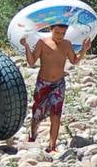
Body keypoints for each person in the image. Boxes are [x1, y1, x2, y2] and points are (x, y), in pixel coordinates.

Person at [24, 24, 92, 153]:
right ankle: (32, 136)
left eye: (63, 33)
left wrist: (84, 49)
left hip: (58, 84)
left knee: (56, 115)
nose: (60, 36)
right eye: (57, 32)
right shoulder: (42, 43)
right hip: (43, 84)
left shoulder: (67, 44)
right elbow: (32, 61)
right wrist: (27, 46)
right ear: (50, 30)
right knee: (37, 114)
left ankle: (52, 146)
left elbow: (74, 61)